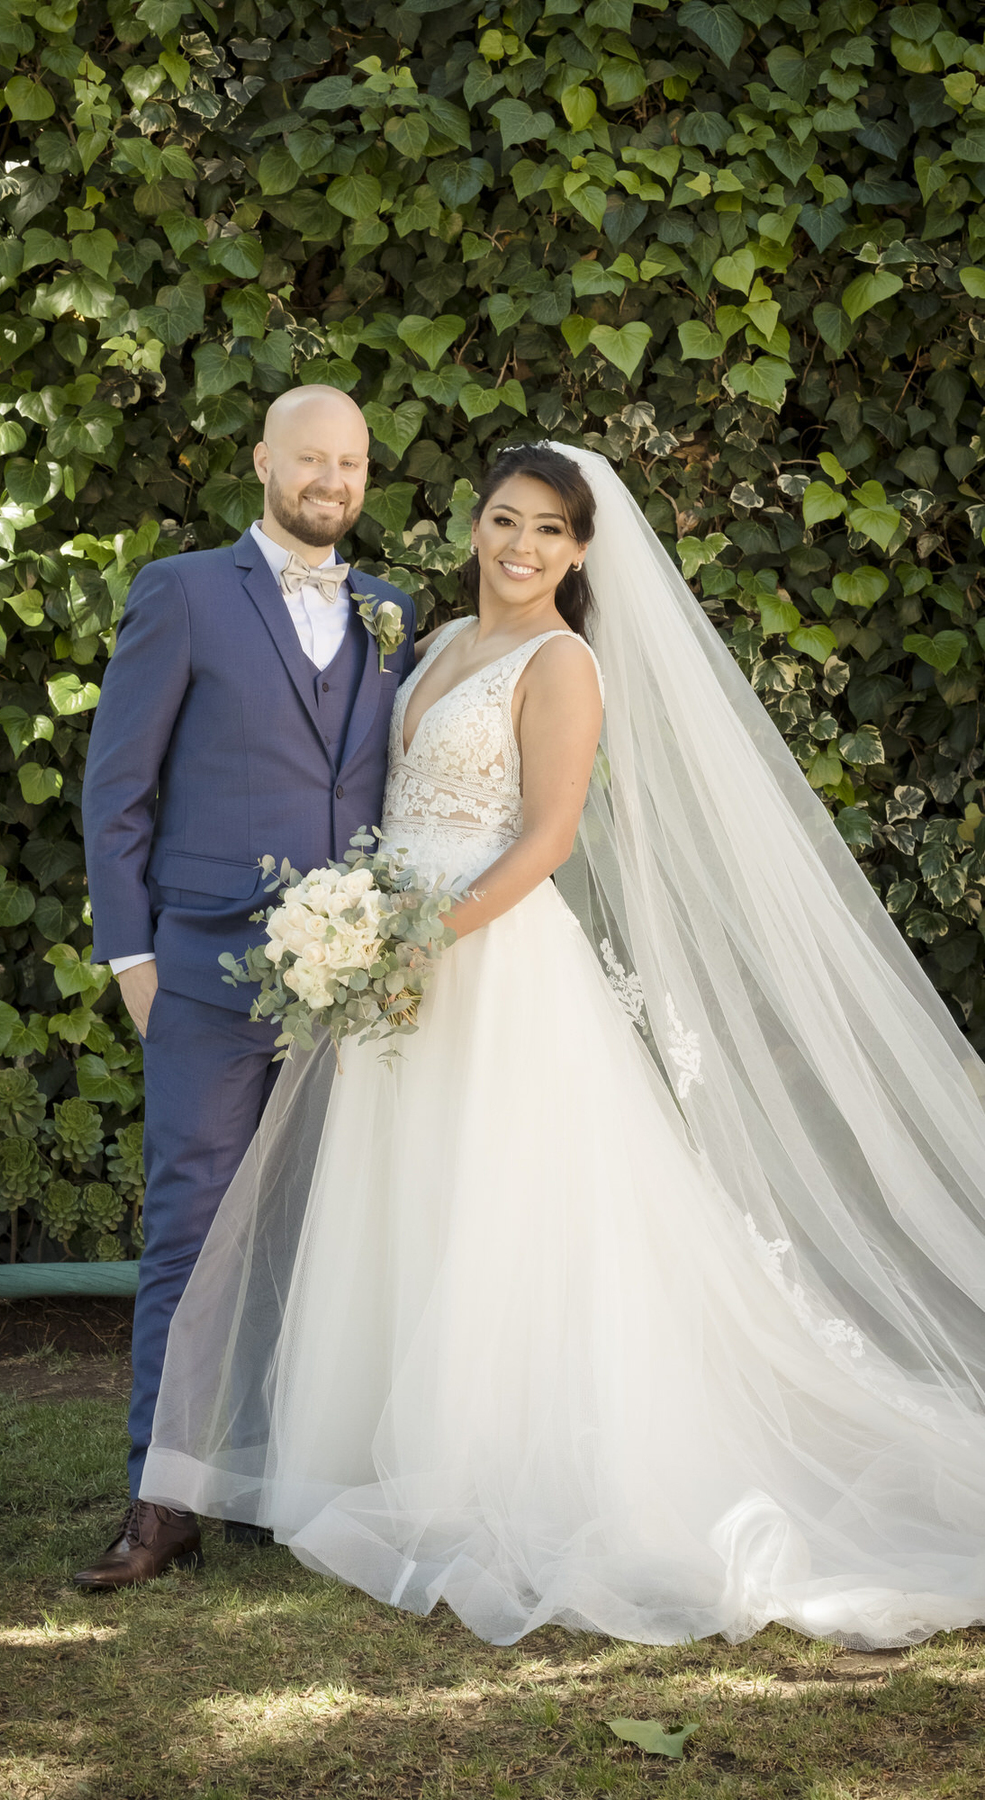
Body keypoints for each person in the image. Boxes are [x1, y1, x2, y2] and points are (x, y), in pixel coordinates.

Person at [139, 441, 985, 1648]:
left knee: (506, 1208)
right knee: (409, 1201)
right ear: (473, 526)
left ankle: (501, 1463)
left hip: (488, 965)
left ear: (582, 551)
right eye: (504, 520)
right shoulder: (430, 647)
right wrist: (370, 933)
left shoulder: (563, 662)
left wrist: (423, 938)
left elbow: (543, 838)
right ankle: (393, 1453)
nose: (521, 547)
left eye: (548, 529)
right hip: (395, 960)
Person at [75, 386, 416, 1589]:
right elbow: (116, 788)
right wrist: (134, 961)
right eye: (312, 456)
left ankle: (272, 1480)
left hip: (350, 989)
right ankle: (161, 1501)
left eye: (354, 462)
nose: (333, 479)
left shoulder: (391, 612)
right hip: (207, 974)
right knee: (190, 1232)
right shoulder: (180, 592)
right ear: (263, 458)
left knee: (321, 1237)